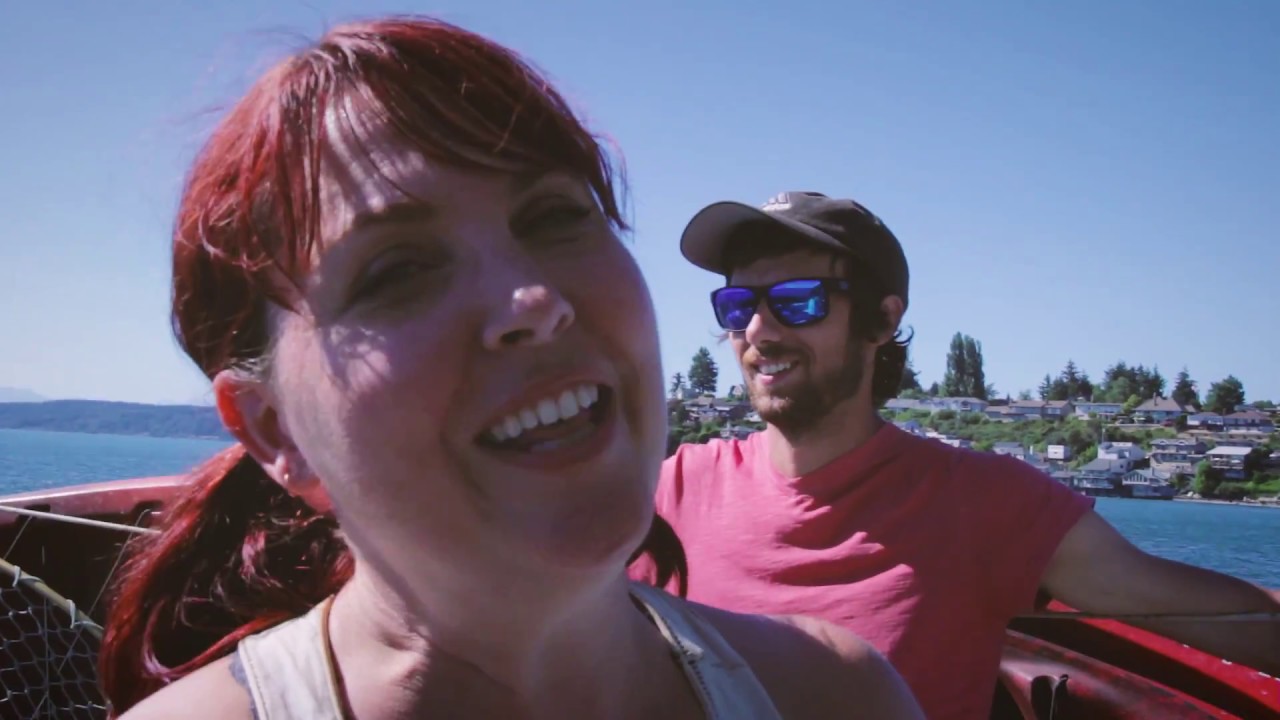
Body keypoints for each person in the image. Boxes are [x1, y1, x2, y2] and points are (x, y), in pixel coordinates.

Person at [99, 20, 924, 720]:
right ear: (277, 430)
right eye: (397, 271)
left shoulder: (832, 694)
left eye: (556, 214)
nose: (534, 300)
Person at [635, 190, 1280, 720]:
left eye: (798, 302)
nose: (758, 332)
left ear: (881, 321)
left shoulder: (984, 504)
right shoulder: (671, 492)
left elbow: (1192, 605)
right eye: (738, 305)